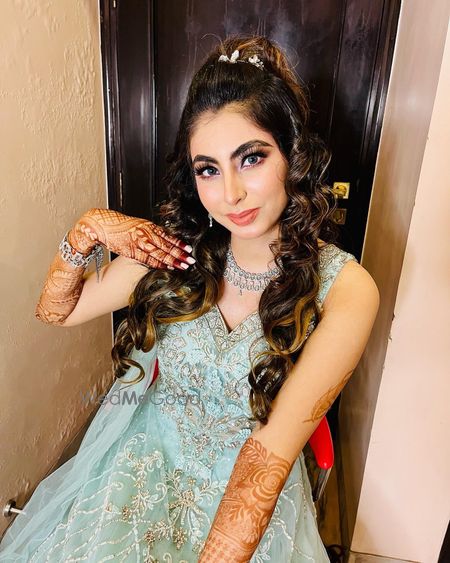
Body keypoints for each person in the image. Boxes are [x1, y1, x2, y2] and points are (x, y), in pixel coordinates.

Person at [0, 34, 380, 562]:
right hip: (140, 469)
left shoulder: (345, 288)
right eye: (209, 169)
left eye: (251, 158)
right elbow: (55, 311)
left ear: (293, 154)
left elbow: (269, 454)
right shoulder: (177, 250)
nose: (231, 193)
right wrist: (88, 230)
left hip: (247, 496)